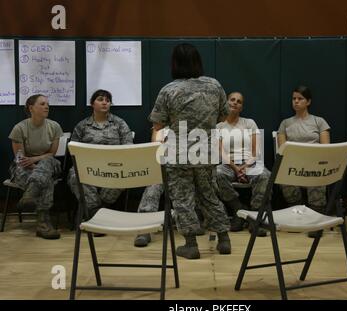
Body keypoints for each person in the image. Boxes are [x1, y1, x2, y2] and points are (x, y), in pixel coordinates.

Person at [149, 43, 231, 259]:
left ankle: (191, 244)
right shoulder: (215, 85)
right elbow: (224, 115)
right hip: (206, 150)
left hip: (179, 153)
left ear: (175, 64)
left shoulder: (168, 90)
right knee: (209, 195)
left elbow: (158, 125)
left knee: (183, 199)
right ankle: (224, 239)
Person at [67, 89, 133, 225]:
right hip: (88, 165)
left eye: (108, 101)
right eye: (100, 99)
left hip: (114, 165)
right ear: (92, 104)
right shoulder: (82, 126)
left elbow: (128, 147)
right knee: (75, 175)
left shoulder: (119, 124)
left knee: (124, 174)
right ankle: (97, 212)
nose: (105, 103)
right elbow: (73, 149)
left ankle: (94, 211)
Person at [277, 85, 330, 237]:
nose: (296, 102)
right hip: (294, 163)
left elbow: (326, 148)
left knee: (318, 175)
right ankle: (297, 214)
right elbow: (283, 149)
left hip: (315, 162)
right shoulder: (285, 123)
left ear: (308, 102)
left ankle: (316, 221)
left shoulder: (319, 121)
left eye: (300, 99)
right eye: (294, 99)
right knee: (284, 177)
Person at [8, 94, 63, 239]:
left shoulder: (54, 126)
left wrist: (35, 160)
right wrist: (36, 169)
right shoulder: (19, 128)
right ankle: (43, 225)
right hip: (24, 166)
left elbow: (51, 154)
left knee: (47, 163)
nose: (47, 106)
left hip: (48, 164)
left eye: (47, 104)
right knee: (46, 180)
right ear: (31, 108)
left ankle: (29, 196)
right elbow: (20, 159)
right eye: (42, 104)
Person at [216, 92, 270, 237]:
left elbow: (256, 150)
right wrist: (236, 169)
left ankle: (254, 218)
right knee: (216, 174)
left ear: (241, 107)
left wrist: (245, 167)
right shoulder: (219, 126)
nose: (235, 103)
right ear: (226, 103)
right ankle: (238, 210)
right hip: (229, 165)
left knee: (265, 175)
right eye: (232, 100)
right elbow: (221, 152)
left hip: (250, 163)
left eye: (239, 102)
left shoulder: (249, 123)